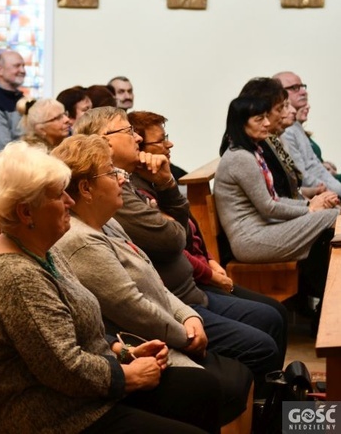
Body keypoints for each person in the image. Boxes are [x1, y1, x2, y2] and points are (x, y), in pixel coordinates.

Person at [0, 141, 221, 434]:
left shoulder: (41, 249)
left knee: (202, 388)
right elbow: (65, 368)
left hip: (86, 394)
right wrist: (128, 377)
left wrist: (124, 352)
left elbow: (79, 331)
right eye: (58, 195)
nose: (70, 201)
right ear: (26, 213)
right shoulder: (15, 277)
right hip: (57, 417)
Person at [74, 106, 284, 398]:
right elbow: (171, 243)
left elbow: (184, 232)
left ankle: (277, 412)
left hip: (185, 296)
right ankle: (270, 417)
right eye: (128, 131)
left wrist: (167, 186)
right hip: (177, 303)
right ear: (104, 141)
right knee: (262, 340)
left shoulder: (126, 187)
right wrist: (185, 328)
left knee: (273, 316)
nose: (136, 139)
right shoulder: (109, 200)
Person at [51, 135, 253, 428]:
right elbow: (132, 306)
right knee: (225, 380)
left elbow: (153, 280)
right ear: (86, 188)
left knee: (243, 366)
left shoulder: (107, 220)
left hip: (165, 330)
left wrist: (188, 316)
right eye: (112, 172)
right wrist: (185, 337)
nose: (122, 179)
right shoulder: (81, 241)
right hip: (147, 343)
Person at [130, 109, 290, 361]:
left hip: (197, 279)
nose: (169, 143)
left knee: (275, 314)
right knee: (267, 326)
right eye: (160, 140)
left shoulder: (158, 178)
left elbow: (192, 231)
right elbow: (175, 243)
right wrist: (210, 273)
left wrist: (211, 259)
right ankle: (264, 396)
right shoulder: (138, 191)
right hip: (186, 291)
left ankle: (276, 391)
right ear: (138, 147)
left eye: (166, 136)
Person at [215, 95, 338, 306]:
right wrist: (310, 209)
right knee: (332, 217)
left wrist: (310, 206)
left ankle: (327, 298)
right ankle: (328, 301)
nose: (266, 123)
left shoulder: (253, 151)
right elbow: (269, 206)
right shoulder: (240, 157)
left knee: (331, 217)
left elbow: (273, 199)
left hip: (263, 229)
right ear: (241, 123)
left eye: (265, 117)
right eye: (258, 119)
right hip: (251, 239)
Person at [275, 71, 341, 197]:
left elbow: (315, 166)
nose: (303, 92)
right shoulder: (285, 131)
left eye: (302, 87)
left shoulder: (295, 126)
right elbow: (300, 178)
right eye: (295, 88)